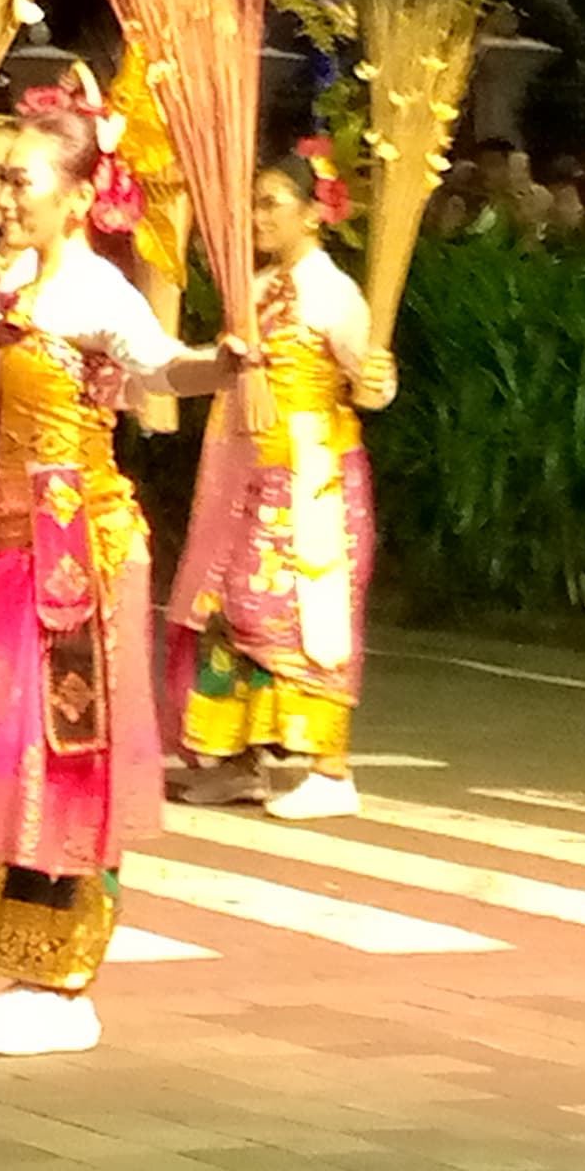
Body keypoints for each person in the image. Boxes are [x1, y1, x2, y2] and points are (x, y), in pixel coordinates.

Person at [0, 92, 242, 1056]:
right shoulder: (3, 292)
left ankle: (63, 975)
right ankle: (21, 963)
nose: (1, 193)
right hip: (3, 555)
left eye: (21, 178)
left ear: (81, 195)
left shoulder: (96, 295)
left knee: (61, 753)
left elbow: (164, 371)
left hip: (73, 559)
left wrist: (222, 364)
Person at [167, 149, 397, 820]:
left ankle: (330, 767)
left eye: (270, 202)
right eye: (253, 202)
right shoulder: (257, 289)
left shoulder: (335, 295)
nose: (257, 215)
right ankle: (239, 757)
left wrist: (378, 384)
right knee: (228, 605)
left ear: (313, 212)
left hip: (310, 478)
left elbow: (372, 385)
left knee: (304, 616)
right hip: (244, 475)